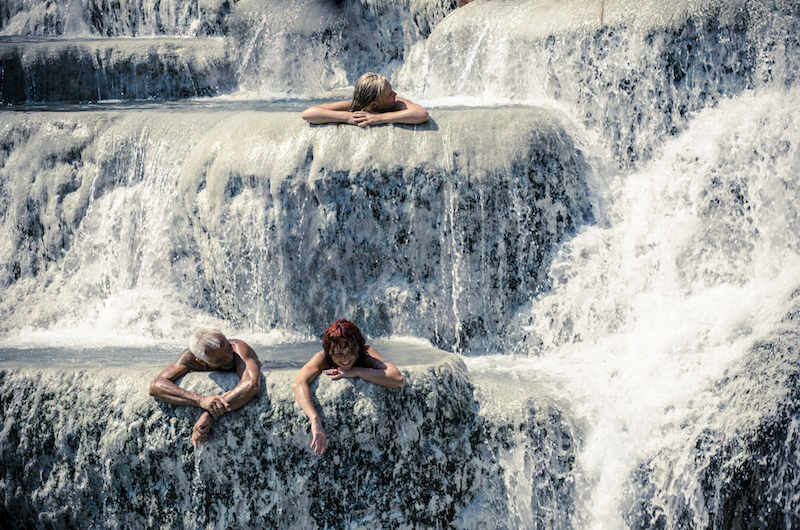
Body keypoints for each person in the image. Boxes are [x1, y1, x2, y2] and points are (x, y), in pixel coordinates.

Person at [292, 319, 405, 455]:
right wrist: (315, 419)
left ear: (358, 348)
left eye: (350, 352)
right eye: (338, 354)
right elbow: (298, 383)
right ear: (329, 352)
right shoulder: (323, 357)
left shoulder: (366, 354)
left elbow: (398, 379)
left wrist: (358, 371)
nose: (345, 359)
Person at [149, 328, 262, 449]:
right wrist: (201, 400)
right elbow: (155, 386)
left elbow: (251, 384)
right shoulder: (189, 358)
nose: (229, 358)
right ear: (202, 362)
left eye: (229, 349)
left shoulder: (239, 349)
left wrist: (209, 414)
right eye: (220, 360)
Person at [301, 72, 429, 127]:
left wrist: (378, 118)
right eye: (390, 94)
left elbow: (422, 114)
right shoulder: (354, 105)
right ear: (374, 105)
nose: (395, 94)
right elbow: (308, 114)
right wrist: (347, 117)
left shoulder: (397, 103)